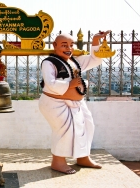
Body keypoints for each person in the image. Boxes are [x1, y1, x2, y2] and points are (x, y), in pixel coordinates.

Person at [39, 30, 111, 174]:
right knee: (65, 131)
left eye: (71, 45)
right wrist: (70, 84)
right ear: (55, 45)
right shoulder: (48, 63)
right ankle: (58, 162)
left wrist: (96, 41)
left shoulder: (74, 61)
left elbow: (94, 59)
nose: (69, 48)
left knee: (87, 127)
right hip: (55, 104)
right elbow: (50, 83)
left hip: (77, 104)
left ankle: (83, 157)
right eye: (64, 45)